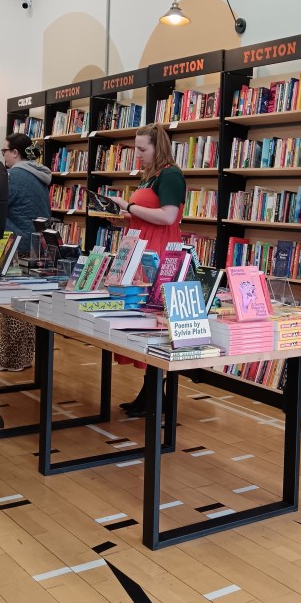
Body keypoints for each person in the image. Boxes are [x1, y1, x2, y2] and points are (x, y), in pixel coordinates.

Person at [108, 122, 186, 417]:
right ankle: (150, 391)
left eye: (143, 149)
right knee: (141, 320)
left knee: (153, 322)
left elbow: (167, 217)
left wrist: (127, 206)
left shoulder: (171, 175)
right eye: (136, 149)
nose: (138, 154)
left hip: (160, 253)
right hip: (141, 249)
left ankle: (154, 392)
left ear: (158, 147)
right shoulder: (149, 177)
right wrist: (123, 217)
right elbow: (145, 216)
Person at [0, 133, 52, 371]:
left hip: (18, 244)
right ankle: (24, 357)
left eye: (4, 151)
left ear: (15, 153)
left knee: (12, 305)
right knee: (27, 304)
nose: (3, 156)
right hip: (38, 244)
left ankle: (12, 359)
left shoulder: (14, 175)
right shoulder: (38, 175)